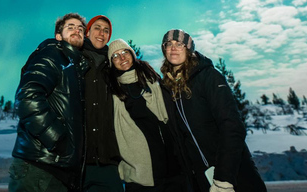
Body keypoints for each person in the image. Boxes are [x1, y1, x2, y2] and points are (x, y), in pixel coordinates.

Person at [160, 29, 266, 192]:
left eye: (179, 44)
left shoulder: (208, 76)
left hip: (233, 178)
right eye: (169, 44)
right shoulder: (170, 88)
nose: (173, 48)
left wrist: (224, 178)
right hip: (201, 180)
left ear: (188, 49)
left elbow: (232, 127)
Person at [9, 13, 90, 192]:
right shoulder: (52, 55)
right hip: (39, 165)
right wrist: (56, 139)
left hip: (57, 168)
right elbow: (27, 96)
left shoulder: (74, 67)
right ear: (58, 36)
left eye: (80, 29)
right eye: (71, 27)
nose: (77, 30)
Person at [107, 38, 184, 192]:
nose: (122, 58)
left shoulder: (152, 80)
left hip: (174, 166)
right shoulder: (114, 93)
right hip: (142, 175)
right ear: (111, 63)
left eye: (124, 52)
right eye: (115, 56)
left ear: (132, 54)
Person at [82, 15, 123, 191]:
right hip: (79, 160)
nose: (102, 33)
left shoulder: (113, 65)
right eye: (97, 28)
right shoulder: (74, 59)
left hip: (108, 158)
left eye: (106, 30)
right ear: (87, 32)